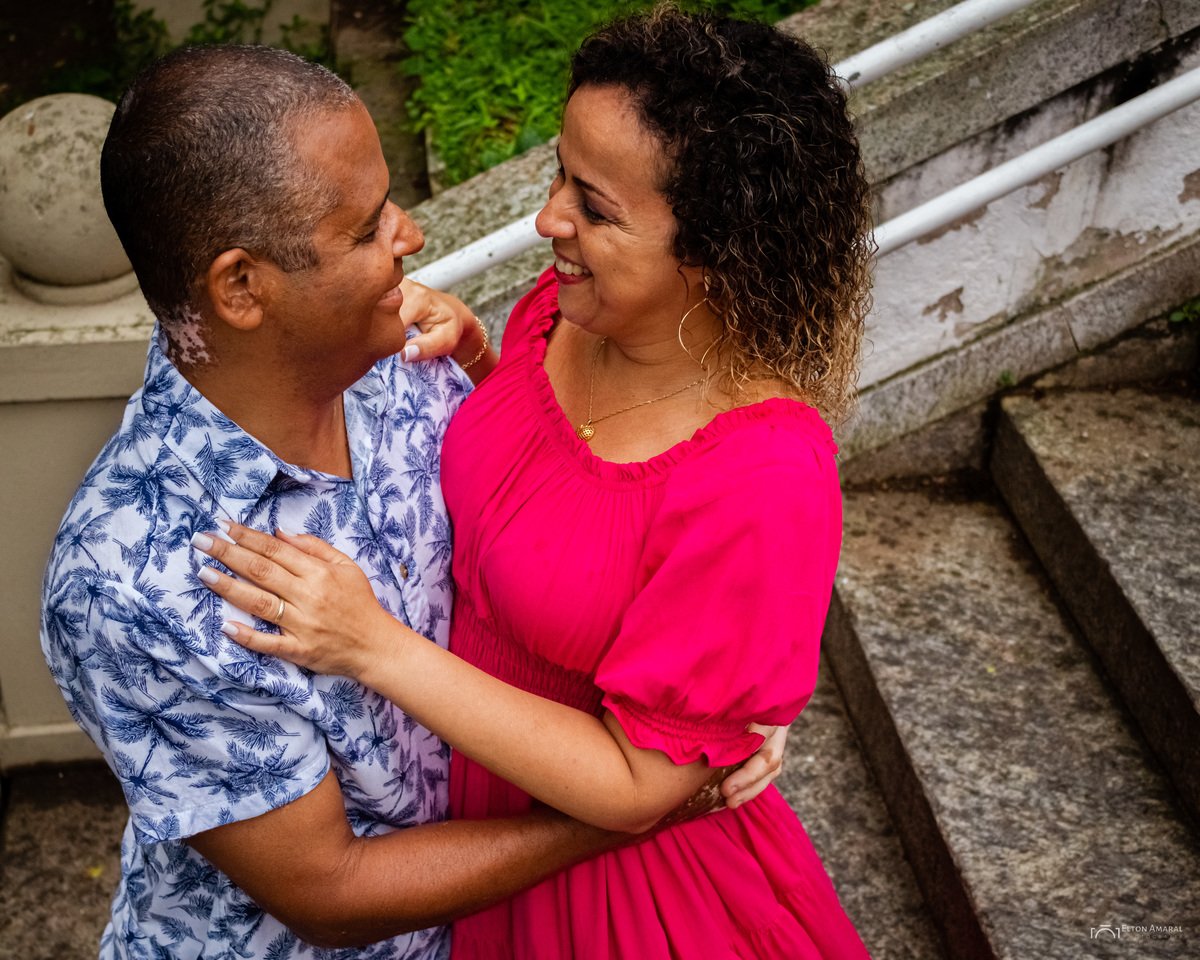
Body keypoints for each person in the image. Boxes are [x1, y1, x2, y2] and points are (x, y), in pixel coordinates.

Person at [39, 42, 781, 960]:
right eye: (364, 230)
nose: (412, 236)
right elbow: (330, 894)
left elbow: (557, 539)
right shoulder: (132, 580)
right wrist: (644, 805)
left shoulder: (403, 355)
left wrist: (713, 695)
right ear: (242, 287)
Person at [194, 7, 875, 959]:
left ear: (722, 251)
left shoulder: (761, 477)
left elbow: (639, 787)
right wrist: (480, 362)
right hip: (483, 838)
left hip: (625, 900)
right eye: (560, 173)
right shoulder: (562, 313)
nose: (548, 218)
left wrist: (373, 646)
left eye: (595, 208)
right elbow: (560, 507)